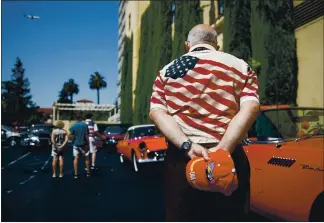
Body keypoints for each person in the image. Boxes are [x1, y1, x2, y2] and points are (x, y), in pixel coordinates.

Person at [149, 24, 260, 221]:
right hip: (229, 158)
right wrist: (222, 150)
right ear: (216, 44)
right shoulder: (242, 67)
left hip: (182, 160)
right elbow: (251, 107)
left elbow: (157, 113)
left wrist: (187, 144)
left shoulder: (165, 73)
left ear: (187, 45)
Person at [69, 114, 91, 179]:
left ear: (75, 118)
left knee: (76, 158)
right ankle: (88, 173)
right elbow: (86, 135)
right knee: (86, 158)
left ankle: (76, 174)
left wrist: (72, 142)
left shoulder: (73, 126)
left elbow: (72, 136)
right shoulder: (85, 125)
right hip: (84, 144)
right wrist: (88, 144)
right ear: (81, 118)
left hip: (76, 144)